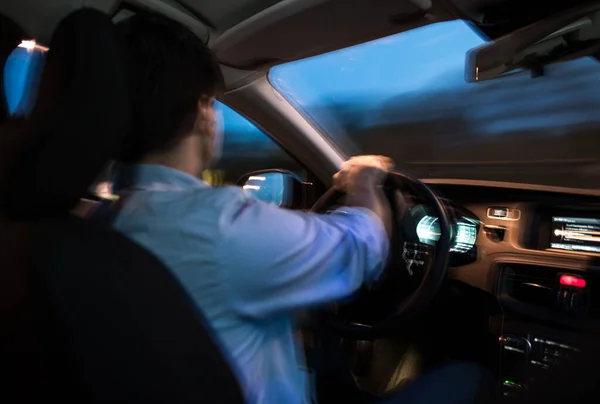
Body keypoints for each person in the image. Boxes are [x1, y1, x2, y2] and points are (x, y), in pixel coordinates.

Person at [109, 15, 492, 404]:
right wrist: (365, 185)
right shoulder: (216, 225)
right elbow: (363, 247)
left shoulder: (102, 222)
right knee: (468, 374)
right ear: (203, 111)